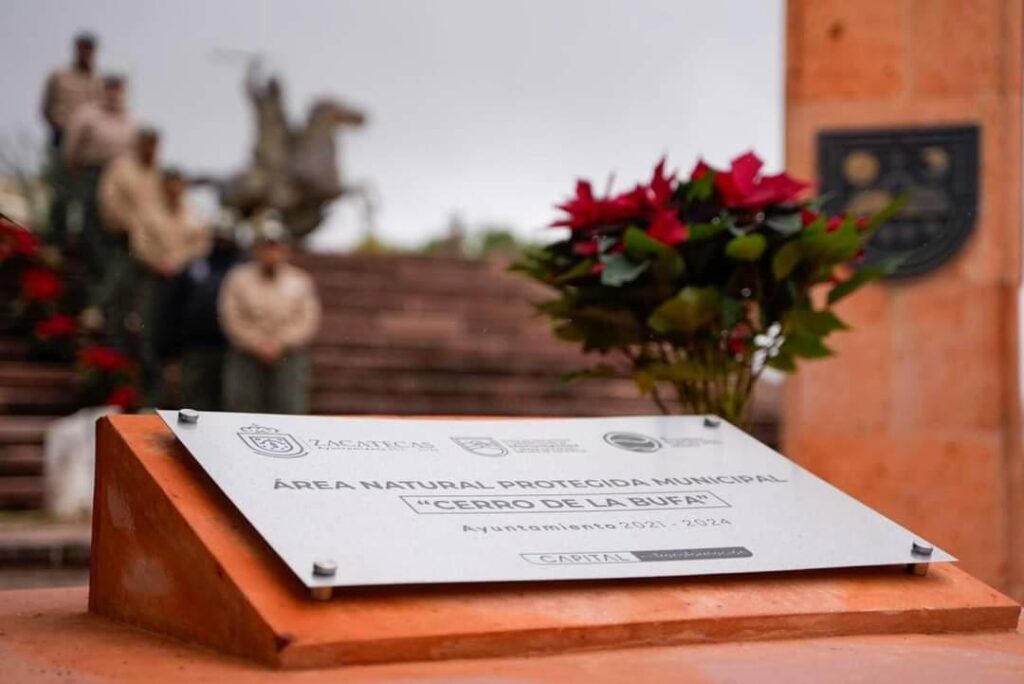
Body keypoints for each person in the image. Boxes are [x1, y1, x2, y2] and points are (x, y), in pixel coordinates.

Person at [219, 213, 321, 414]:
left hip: (287, 355)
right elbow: (230, 315)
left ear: (285, 250)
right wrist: (256, 344)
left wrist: (280, 343)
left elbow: (307, 319)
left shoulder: (300, 281)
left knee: (289, 409)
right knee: (242, 410)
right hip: (247, 354)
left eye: (276, 247)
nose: (271, 253)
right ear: (256, 249)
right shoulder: (238, 278)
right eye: (266, 246)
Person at [130, 170, 210, 406]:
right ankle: (148, 398)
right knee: (150, 336)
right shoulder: (149, 213)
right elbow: (140, 242)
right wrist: (157, 262)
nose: (175, 189)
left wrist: (180, 264)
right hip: (154, 279)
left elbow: (201, 244)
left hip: (184, 284)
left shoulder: (193, 214)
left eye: (179, 184)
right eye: (171, 184)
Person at [61, 74, 137, 307]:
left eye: (118, 88)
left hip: (121, 179)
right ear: (103, 90)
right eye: (110, 88)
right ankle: (95, 283)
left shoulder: (131, 119)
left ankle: (108, 289)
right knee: (92, 229)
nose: (114, 93)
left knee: (116, 233)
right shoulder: (87, 114)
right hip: (92, 173)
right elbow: (70, 149)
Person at [160, 210, 244, 411]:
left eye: (227, 235)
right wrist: (168, 350)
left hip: (232, 349)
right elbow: (173, 309)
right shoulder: (194, 267)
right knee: (194, 404)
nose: (223, 240)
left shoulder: (243, 270)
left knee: (230, 404)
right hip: (195, 347)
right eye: (219, 235)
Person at [95, 127, 163, 343]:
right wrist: (126, 225)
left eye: (154, 144)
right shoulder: (121, 168)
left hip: (150, 245)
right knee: (118, 285)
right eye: (147, 143)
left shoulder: (157, 173)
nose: (150, 149)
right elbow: (109, 199)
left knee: (142, 297)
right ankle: (102, 316)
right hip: (121, 237)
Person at [42, 32, 101, 245]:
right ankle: (56, 239)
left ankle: (81, 243)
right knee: (61, 191)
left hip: (89, 147)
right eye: (82, 48)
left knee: (86, 196)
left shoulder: (98, 81)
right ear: (76, 49)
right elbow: (46, 108)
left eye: (90, 49)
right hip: (62, 137)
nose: (86, 53)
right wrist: (62, 129)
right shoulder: (59, 76)